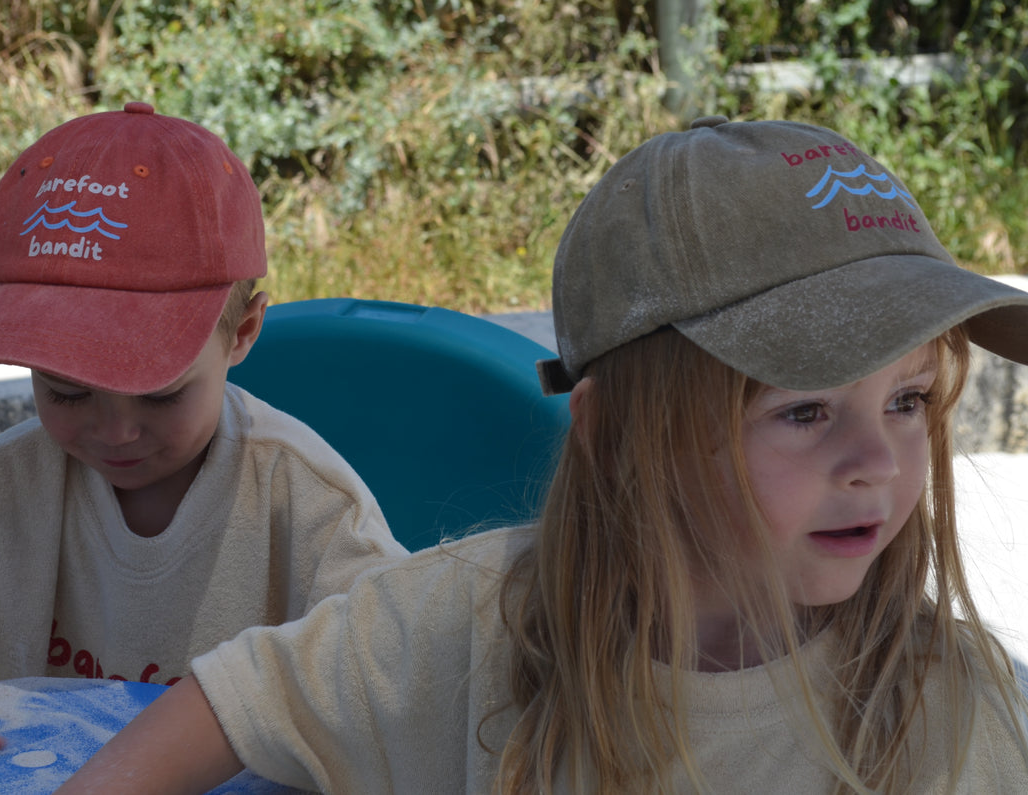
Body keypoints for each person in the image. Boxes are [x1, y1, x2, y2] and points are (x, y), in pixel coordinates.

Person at [53, 116, 1028, 794]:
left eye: (908, 400)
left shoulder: (944, 702)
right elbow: (242, 699)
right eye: (806, 410)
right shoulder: (468, 619)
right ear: (616, 436)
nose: (879, 462)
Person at [0, 103, 407, 792]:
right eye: (66, 392)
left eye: (160, 394)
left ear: (244, 332)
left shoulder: (306, 499)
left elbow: (394, 648)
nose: (115, 431)